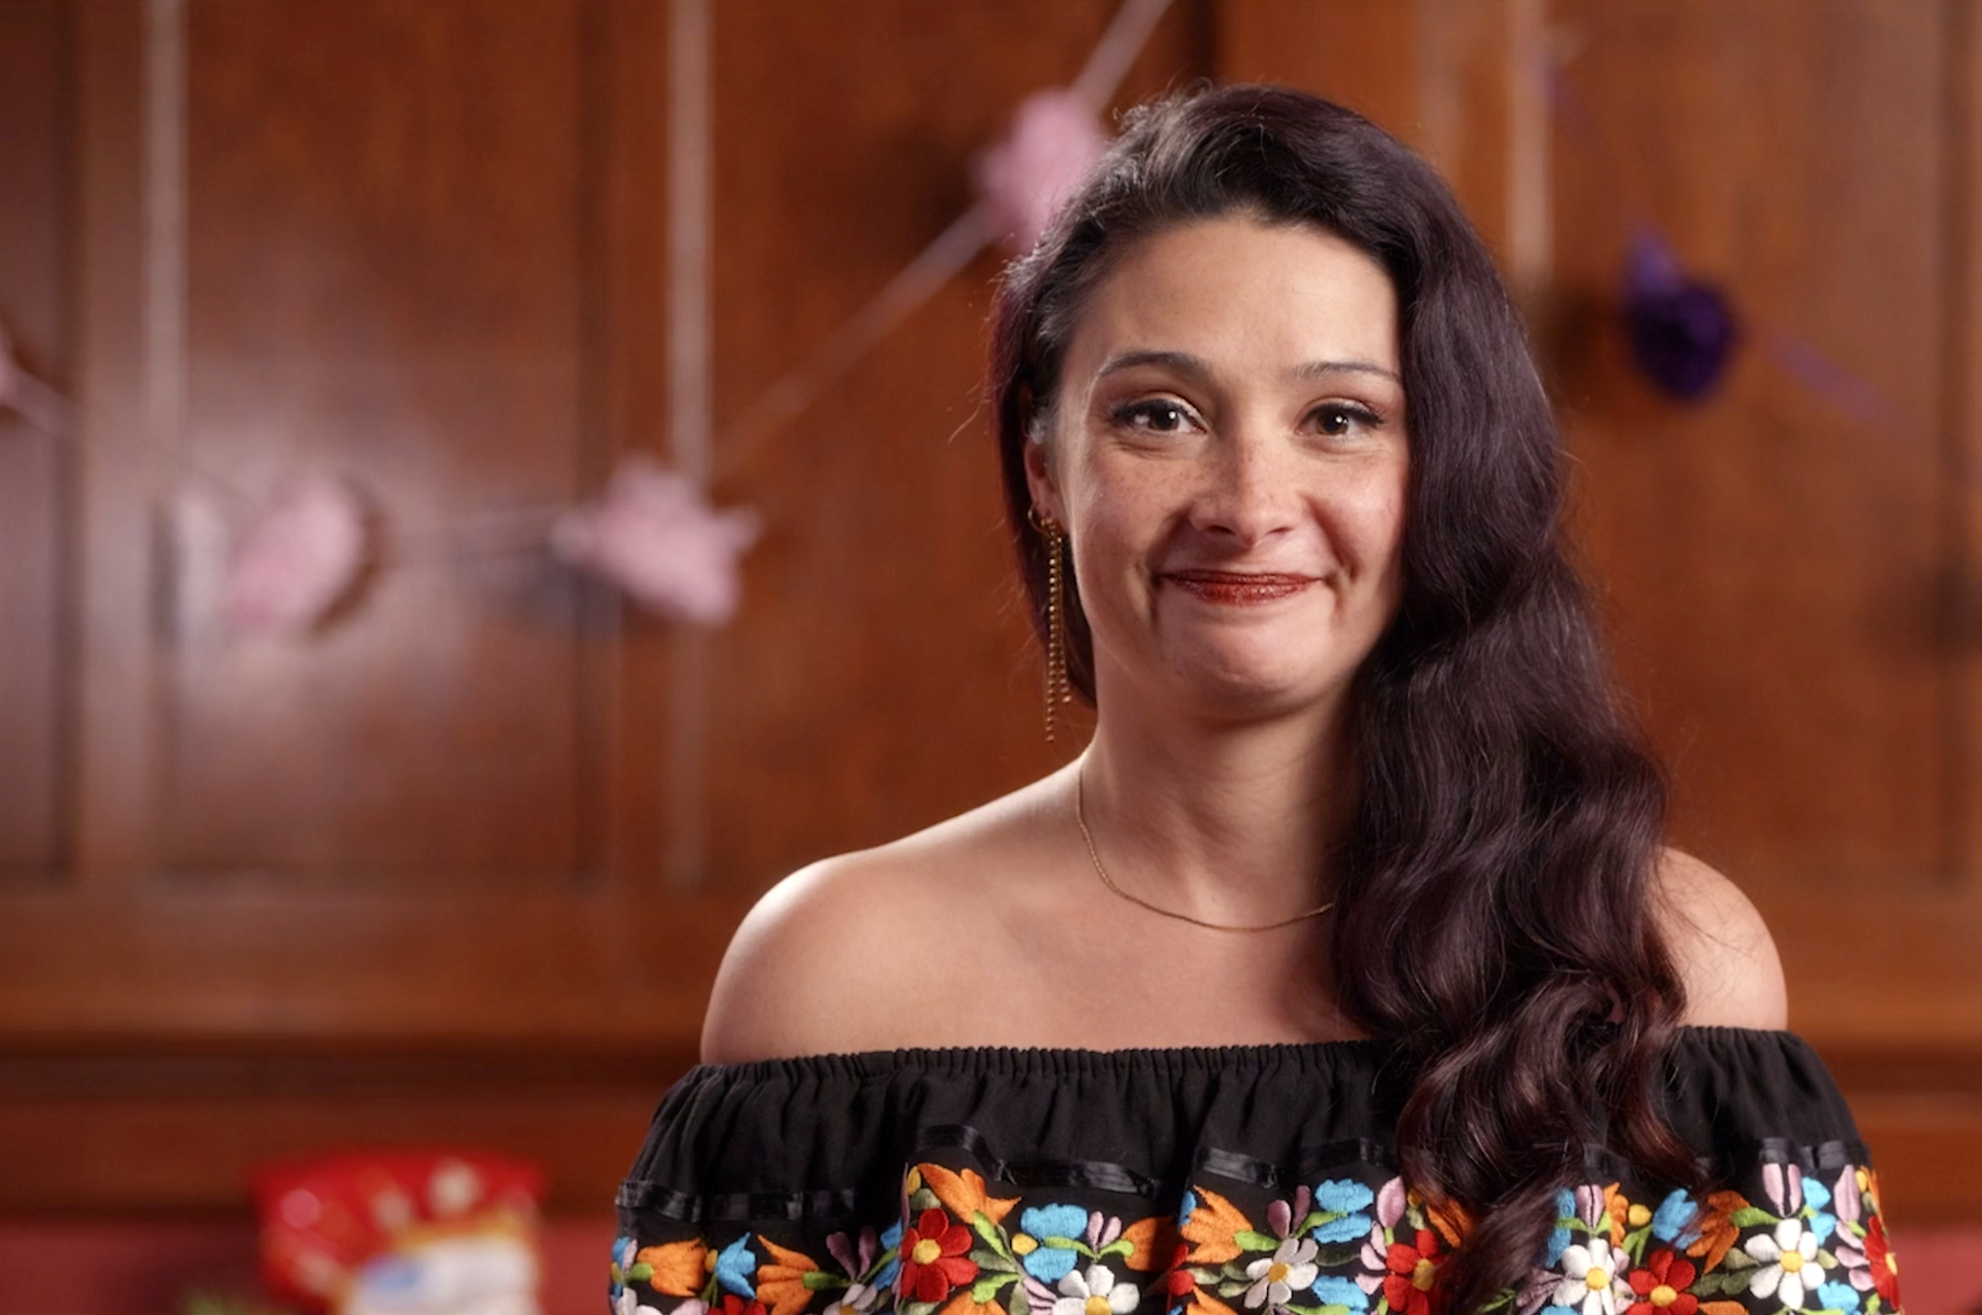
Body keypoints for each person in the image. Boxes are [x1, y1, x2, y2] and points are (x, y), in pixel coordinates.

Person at [611, 84, 1900, 1315]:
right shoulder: (838, 975)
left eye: (1340, 418)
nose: (1247, 504)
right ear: (1046, 465)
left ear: (1441, 468)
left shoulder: (1669, 966)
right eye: (1160, 414)